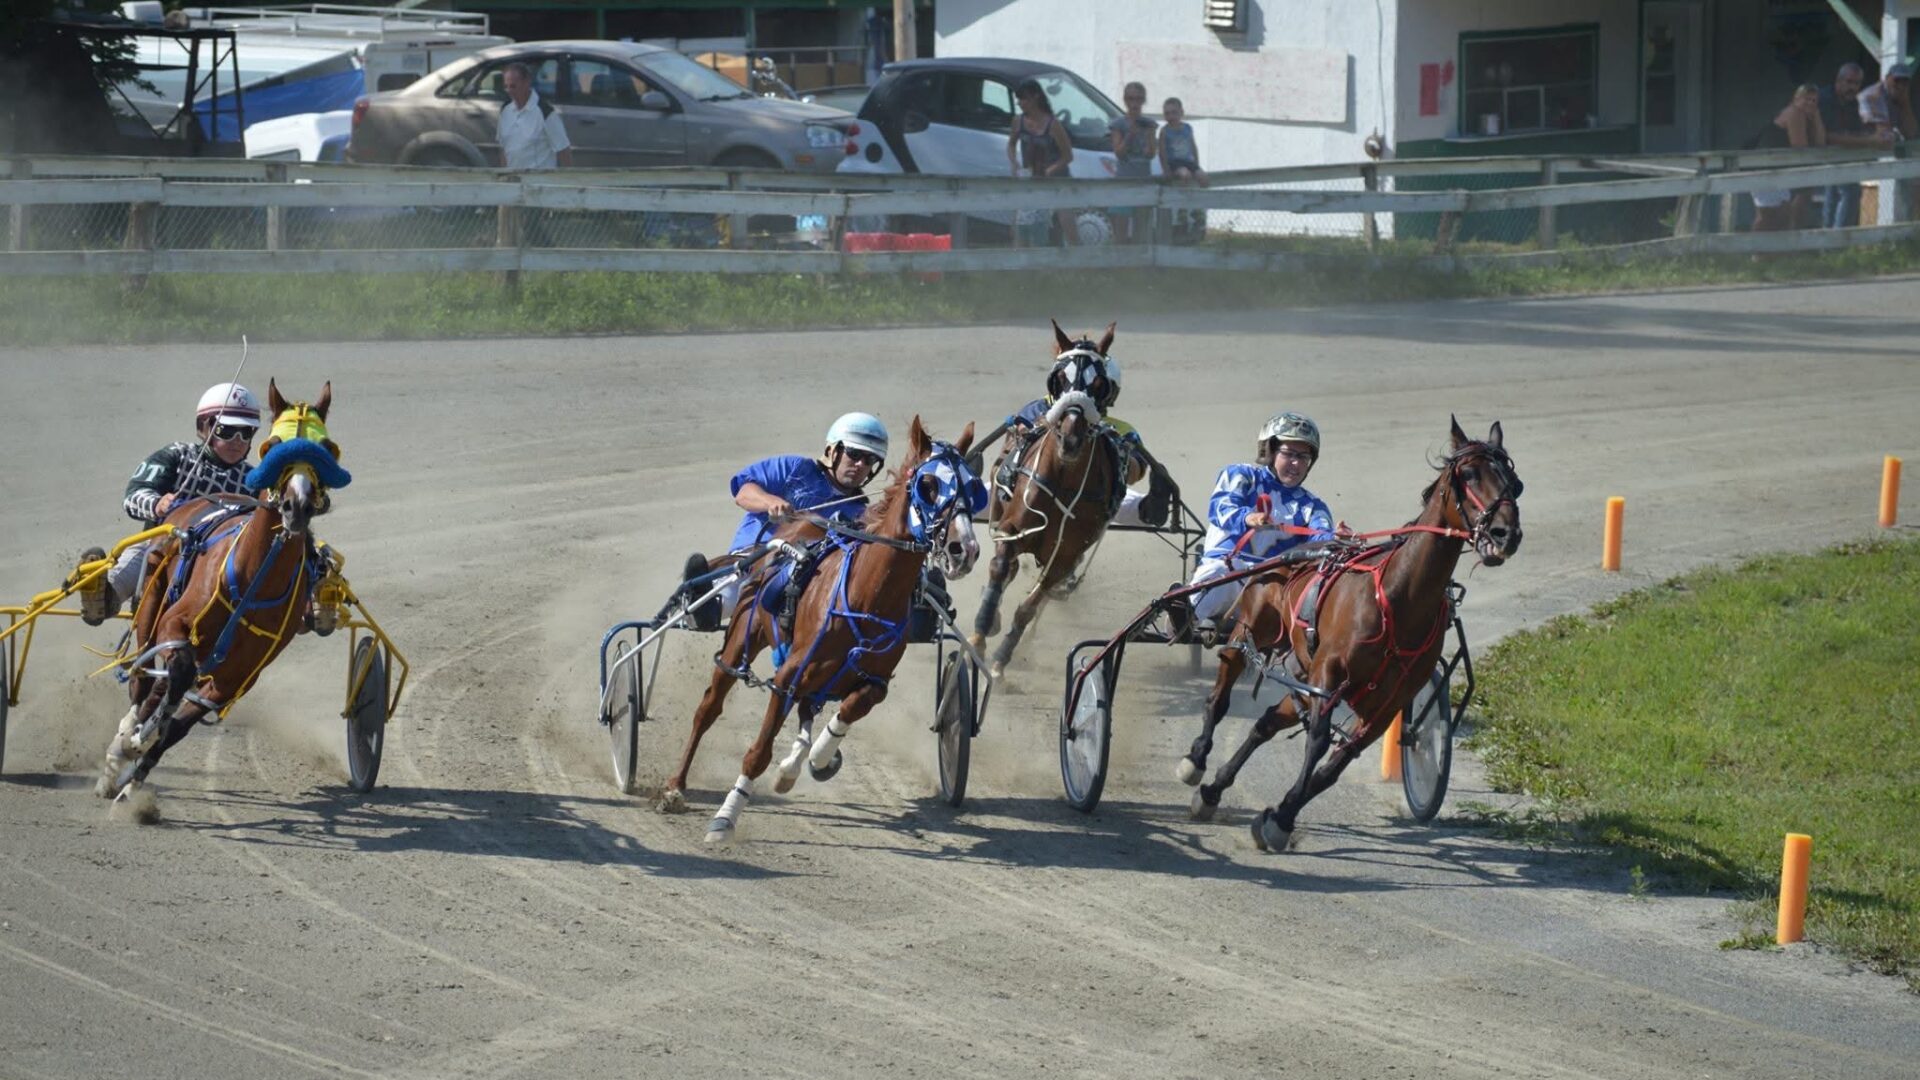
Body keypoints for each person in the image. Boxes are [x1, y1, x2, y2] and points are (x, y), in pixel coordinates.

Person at [683, 412, 890, 629]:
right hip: (755, 561)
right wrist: (769, 501)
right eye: (854, 453)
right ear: (832, 450)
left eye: (870, 460)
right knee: (732, 595)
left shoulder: (859, 513)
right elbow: (743, 494)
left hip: (805, 580)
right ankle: (701, 606)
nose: (860, 464)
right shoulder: (793, 468)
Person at [103, 383, 263, 617]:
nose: (237, 440)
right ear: (203, 428)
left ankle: (307, 606)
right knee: (133, 565)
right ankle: (105, 595)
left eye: (245, 432)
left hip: (220, 562)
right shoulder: (177, 455)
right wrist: (157, 504)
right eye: (226, 431)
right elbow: (134, 493)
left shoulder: (254, 480)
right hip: (160, 547)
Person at [1184, 412, 1336, 633]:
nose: (1296, 463)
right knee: (1217, 574)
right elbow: (1220, 508)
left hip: (1271, 591)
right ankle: (1187, 614)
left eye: (1304, 457)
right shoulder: (1241, 475)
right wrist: (1248, 517)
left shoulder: (1314, 506)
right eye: (1289, 453)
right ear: (1270, 451)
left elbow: (1321, 538)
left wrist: (1335, 540)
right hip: (1227, 573)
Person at [1819, 63, 1890, 228]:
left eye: (1857, 83)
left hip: (1846, 155)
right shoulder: (1824, 99)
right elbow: (1827, 136)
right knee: (1846, 193)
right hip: (1818, 154)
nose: (1853, 87)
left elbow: (1860, 128)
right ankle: (1836, 243)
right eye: (1849, 82)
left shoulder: (1856, 102)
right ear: (1838, 81)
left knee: (1841, 193)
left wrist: (1873, 135)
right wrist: (1869, 141)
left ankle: (1831, 245)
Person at [1007, 78, 1076, 246]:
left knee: (1066, 219)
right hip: (1031, 178)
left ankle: (1078, 258)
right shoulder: (1018, 121)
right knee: (1022, 221)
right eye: (1018, 99)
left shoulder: (1053, 124)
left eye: (1023, 98)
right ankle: (1020, 260)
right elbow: (1011, 144)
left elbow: (1068, 156)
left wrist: (1051, 170)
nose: (1020, 103)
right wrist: (1014, 163)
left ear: (1035, 97)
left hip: (1057, 178)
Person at [1749, 84, 1825, 232]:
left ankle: (1774, 253)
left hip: (1778, 169)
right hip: (1764, 167)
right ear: (1796, 99)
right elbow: (1800, 147)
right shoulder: (1794, 113)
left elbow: (1821, 143)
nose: (1810, 103)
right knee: (1767, 215)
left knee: (1781, 215)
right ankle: (1755, 251)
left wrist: (1817, 117)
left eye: (1814, 101)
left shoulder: (1807, 117)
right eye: (1806, 99)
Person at [496, 61, 573, 170]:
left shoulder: (545, 112)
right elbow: (503, 149)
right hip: (513, 181)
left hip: (538, 183)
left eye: (513, 86)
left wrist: (567, 181)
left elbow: (563, 150)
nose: (509, 91)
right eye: (506, 86)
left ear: (527, 82)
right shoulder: (505, 111)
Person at [1108, 81, 1157, 243]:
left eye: (1138, 99)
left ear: (1143, 101)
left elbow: (1151, 154)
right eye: (1130, 99)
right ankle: (1119, 261)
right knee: (1120, 228)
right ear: (1125, 100)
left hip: (1143, 179)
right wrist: (1130, 135)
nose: (1134, 104)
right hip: (1124, 179)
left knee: (1142, 227)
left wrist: (1150, 136)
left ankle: (1140, 262)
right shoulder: (1118, 124)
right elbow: (1119, 153)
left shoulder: (1149, 124)